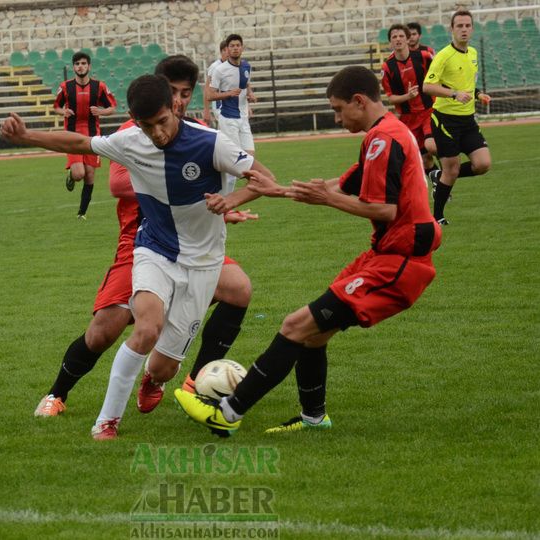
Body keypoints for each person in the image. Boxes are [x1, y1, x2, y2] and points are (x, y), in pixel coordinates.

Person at [174, 65, 442, 436]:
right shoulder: (385, 134)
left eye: (337, 109)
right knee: (314, 332)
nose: (335, 117)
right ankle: (314, 418)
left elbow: (385, 209)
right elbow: (342, 184)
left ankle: (228, 412)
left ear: (359, 101)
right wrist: (279, 190)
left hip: (400, 262)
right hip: (385, 255)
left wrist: (326, 199)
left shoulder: (384, 140)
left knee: (295, 326)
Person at [2, 75, 275, 439]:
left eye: (162, 122)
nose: (157, 133)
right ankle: (106, 422)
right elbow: (82, 141)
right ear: (134, 119)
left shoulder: (210, 143)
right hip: (153, 250)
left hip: (204, 263)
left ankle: (153, 378)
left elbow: (265, 179)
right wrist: (26, 136)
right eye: (147, 126)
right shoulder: (130, 141)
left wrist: (232, 200)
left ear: (175, 108)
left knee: (163, 367)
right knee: (144, 327)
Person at [423, 9, 492, 225]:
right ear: (451, 29)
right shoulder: (443, 56)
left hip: (468, 120)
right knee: (451, 169)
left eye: (467, 25)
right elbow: (427, 86)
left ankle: (438, 176)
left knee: (483, 164)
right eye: (459, 26)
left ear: (472, 28)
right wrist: (453, 93)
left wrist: (478, 94)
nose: (464, 29)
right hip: (445, 120)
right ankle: (438, 216)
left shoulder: (472, 53)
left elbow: (468, 84)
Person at [53, 51, 117, 219]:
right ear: (74, 67)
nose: (80, 66)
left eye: (83, 63)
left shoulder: (100, 86)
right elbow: (56, 107)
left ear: (89, 66)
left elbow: (112, 107)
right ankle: (71, 176)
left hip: (92, 136)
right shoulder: (66, 87)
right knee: (79, 174)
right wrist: (63, 111)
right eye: (77, 64)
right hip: (72, 135)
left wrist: (101, 111)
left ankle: (81, 213)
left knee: (89, 175)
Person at [381, 24, 438, 175]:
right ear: (390, 42)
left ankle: (449, 169)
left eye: (401, 36)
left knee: (432, 146)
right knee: (425, 159)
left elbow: (439, 78)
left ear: (408, 39)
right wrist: (408, 96)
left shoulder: (424, 57)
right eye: (394, 37)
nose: (398, 39)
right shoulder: (388, 67)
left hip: (429, 111)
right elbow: (391, 98)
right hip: (408, 118)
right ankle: (440, 182)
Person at [207, 34, 257, 156]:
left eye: (238, 45)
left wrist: (250, 94)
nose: (235, 48)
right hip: (228, 118)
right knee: (234, 157)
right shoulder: (219, 70)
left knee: (250, 156)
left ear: (242, 48)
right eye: (232, 46)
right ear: (227, 49)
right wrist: (229, 93)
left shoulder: (246, 66)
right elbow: (210, 95)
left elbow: (246, 84)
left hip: (243, 117)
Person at [203, 41, 228, 128]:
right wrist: (206, 110)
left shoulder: (235, 66)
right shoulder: (214, 67)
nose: (227, 52)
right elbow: (207, 89)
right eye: (225, 50)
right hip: (219, 106)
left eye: (229, 49)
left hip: (234, 106)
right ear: (221, 52)